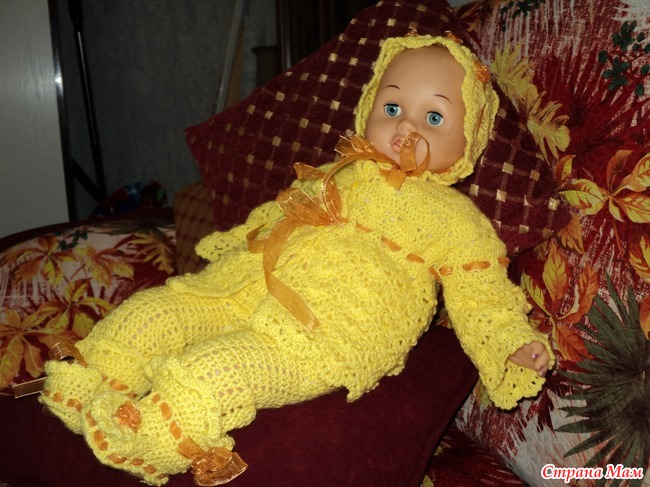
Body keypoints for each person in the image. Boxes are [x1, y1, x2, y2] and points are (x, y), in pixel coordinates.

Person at [40, 33, 553, 486]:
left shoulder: (456, 221)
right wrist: (235, 251)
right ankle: (88, 382)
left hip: (327, 331)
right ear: (368, 109)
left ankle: (150, 434)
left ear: (469, 143)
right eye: (393, 107)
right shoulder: (338, 172)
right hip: (248, 286)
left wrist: (509, 343)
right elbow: (278, 215)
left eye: (434, 118)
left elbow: (481, 296)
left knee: (216, 369)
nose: (406, 128)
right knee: (157, 312)